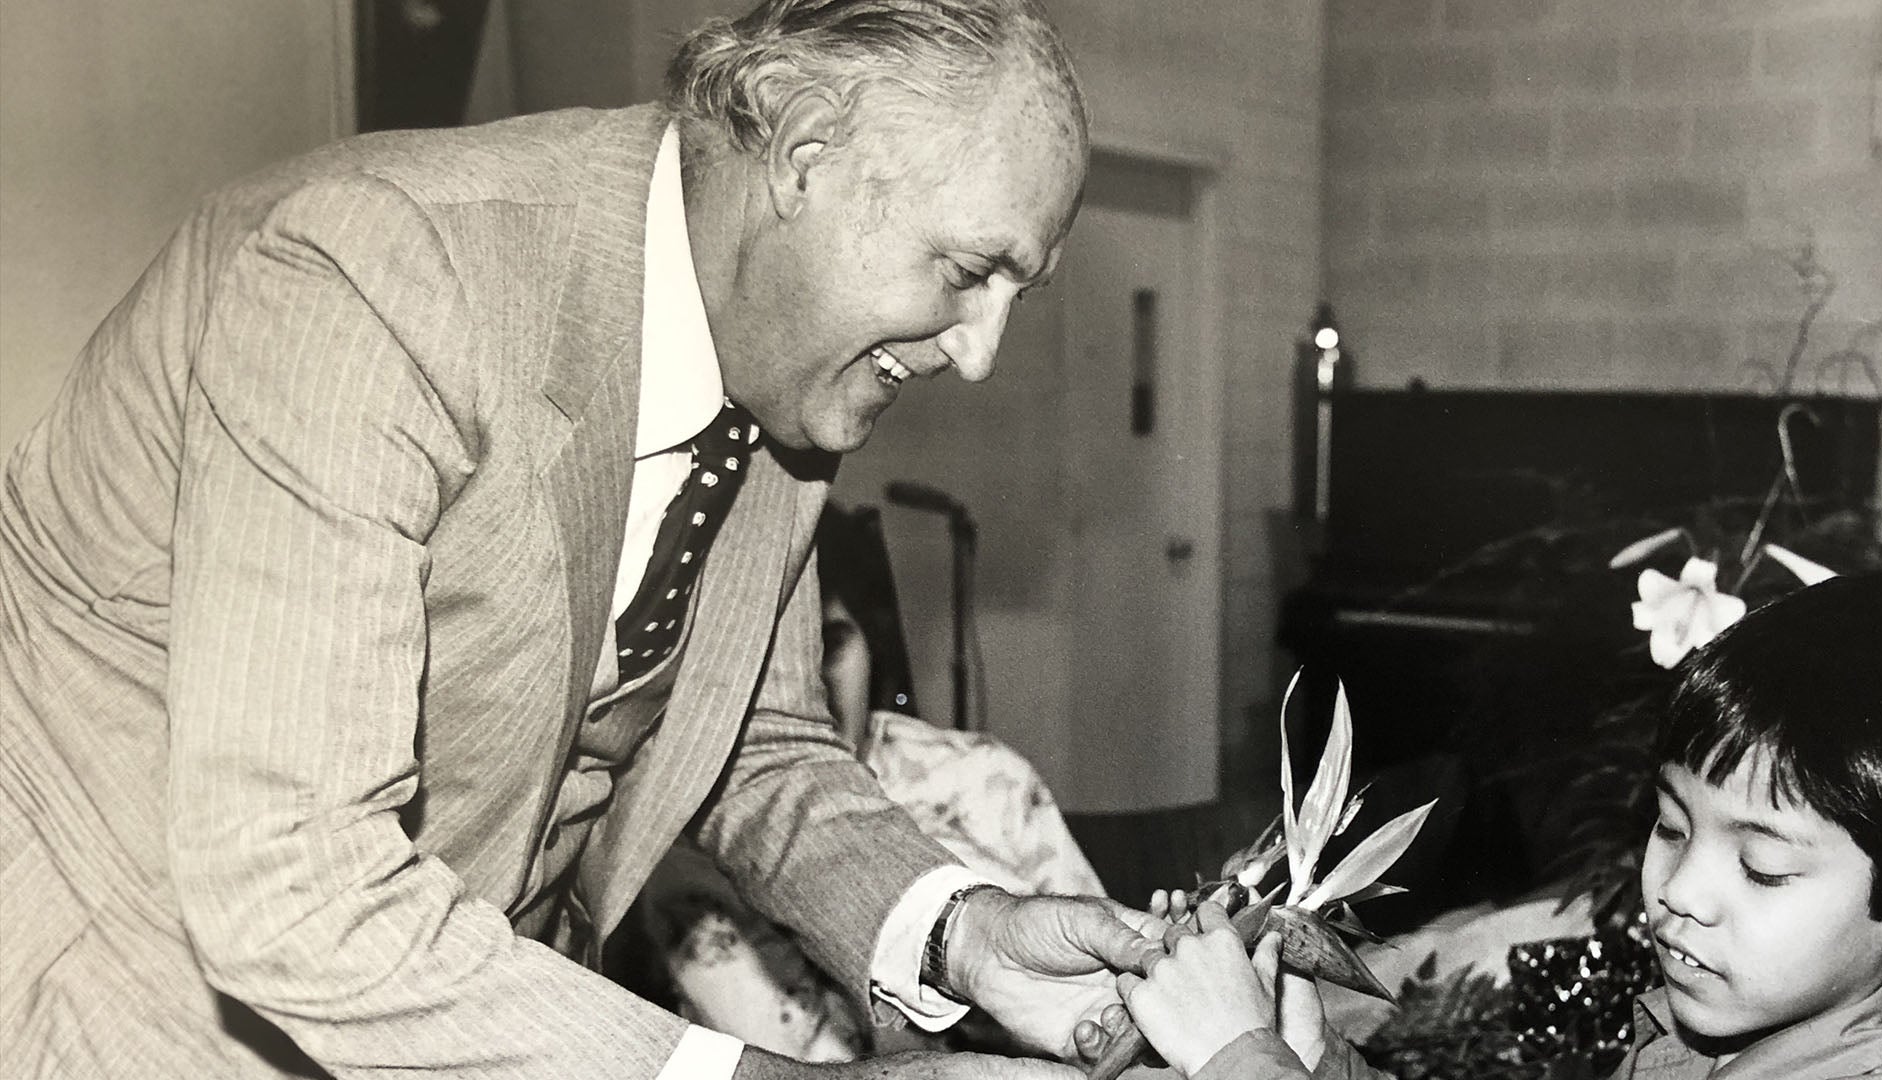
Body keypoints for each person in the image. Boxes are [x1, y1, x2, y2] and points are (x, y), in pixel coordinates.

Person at [0, 2, 1161, 1077]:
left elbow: (755, 740)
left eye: (1020, 293)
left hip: (474, 1001)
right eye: (967, 273)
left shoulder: (783, 361)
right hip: (141, 995)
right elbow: (292, 877)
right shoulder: (379, 274)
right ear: (806, 155)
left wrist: (955, 930)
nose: (981, 353)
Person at [1086, 572, 1882, 1079]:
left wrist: (1237, 1058)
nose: (1682, 891)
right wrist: (1304, 1053)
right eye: (1669, 828)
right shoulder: (1724, 1026)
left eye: (1764, 869)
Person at [627, 501, 1105, 1062]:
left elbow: (1095, 1006)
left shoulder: (983, 776)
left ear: (871, 641)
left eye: (831, 644)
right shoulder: (662, 843)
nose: (811, 683)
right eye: (768, 665)